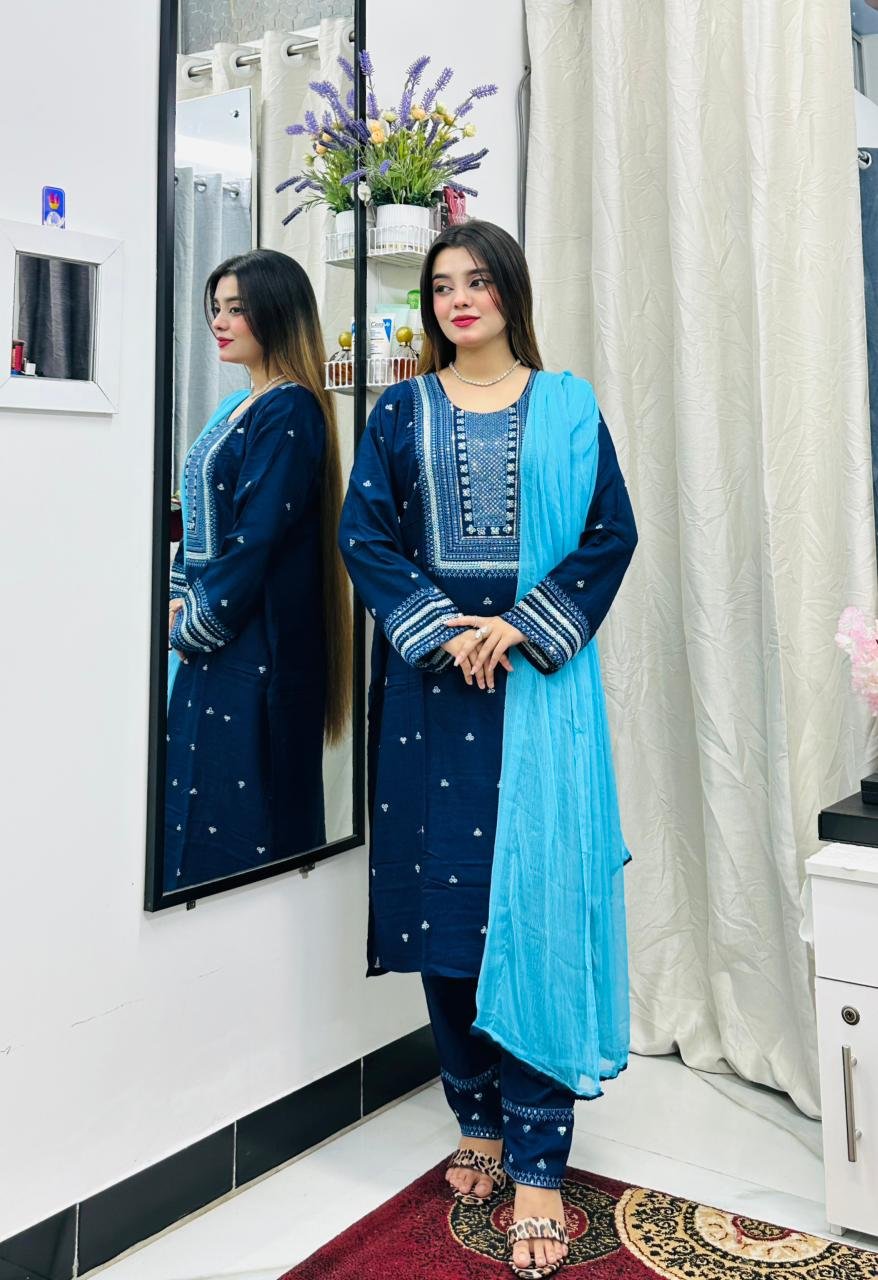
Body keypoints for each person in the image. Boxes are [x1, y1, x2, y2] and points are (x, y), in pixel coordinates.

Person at [340, 220, 637, 1278]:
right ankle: (473, 1114)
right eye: (441, 286)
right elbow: (366, 537)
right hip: (431, 694)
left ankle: (539, 1159)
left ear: (510, 290)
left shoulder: (566, 406)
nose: (458, 299)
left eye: (477, 281)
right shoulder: (399, 409)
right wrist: (442, 629)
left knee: (537, 908)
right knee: (449, 910)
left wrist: (517, 626)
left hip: (535, 690)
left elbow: (609, 534)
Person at [165, 248, 351, 891]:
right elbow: (200, 523)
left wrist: (193, 618)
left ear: (276, 312)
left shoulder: (291, 409)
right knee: (193, 808)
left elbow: (257, 536)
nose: (219, 322)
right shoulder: (239, 406)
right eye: (216, 308)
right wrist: (176, 596)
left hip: (252, 644)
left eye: (236, 309)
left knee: (241, 825)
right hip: (216, 639)